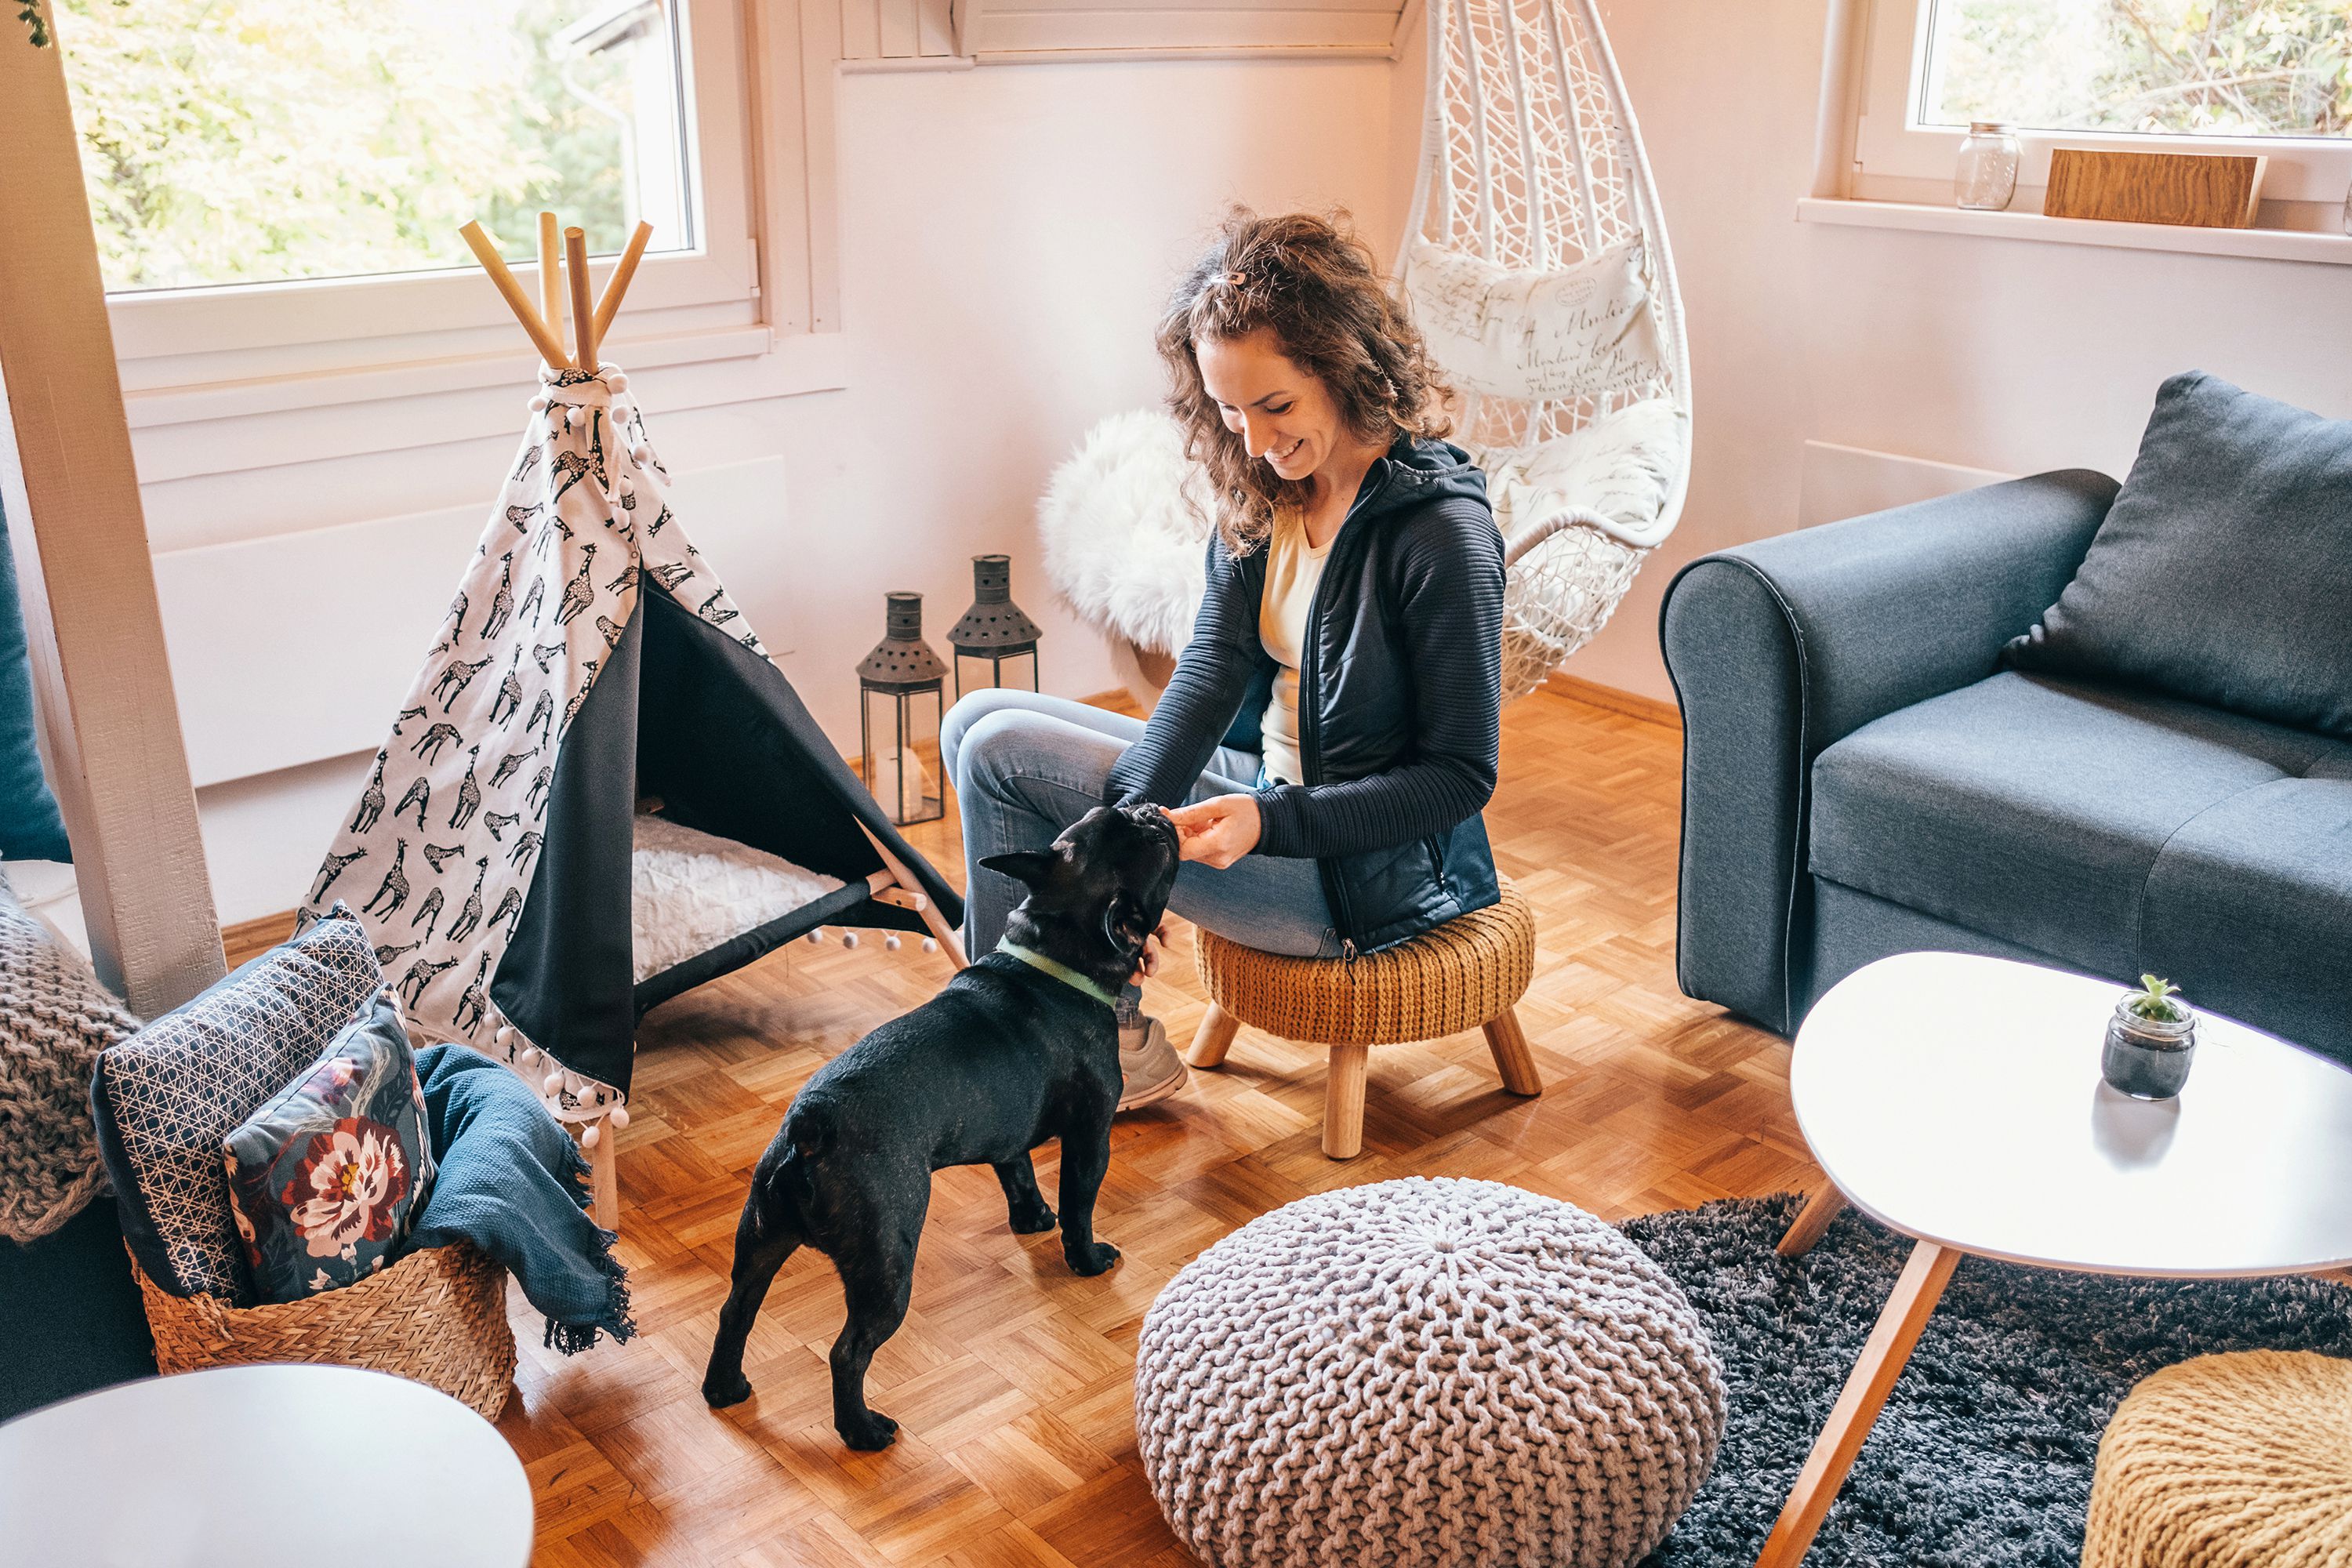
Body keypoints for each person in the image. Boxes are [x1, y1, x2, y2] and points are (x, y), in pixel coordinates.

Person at [943, 209, 1505, 1110]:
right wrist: (1126, 851)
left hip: (1356, 879)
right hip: (1264, 793)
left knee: (1000, 750)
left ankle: (1028, 1043)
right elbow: (1207, 676)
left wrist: (1268, 823)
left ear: (1346, 367)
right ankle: (1075, 1024)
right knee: (972, 719)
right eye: (1228, 409)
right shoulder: (1269, 491)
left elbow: (1459, 776)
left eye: (1274, 405)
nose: (1250, 439)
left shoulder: (1442, 537)